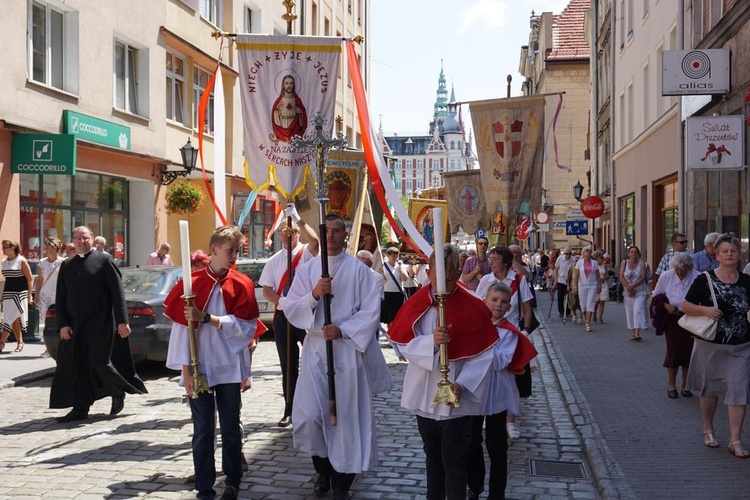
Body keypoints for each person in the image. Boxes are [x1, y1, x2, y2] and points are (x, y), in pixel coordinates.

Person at [284, 214, 393, 500]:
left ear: (344, 236)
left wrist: (343, 331)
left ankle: (342, 481)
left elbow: (370, 313)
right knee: (309, 415)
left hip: (346, 353)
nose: (331, 236)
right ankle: (322, 468)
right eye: (327, 231)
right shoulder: (308, 271)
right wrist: (314, 295)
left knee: (345, 419)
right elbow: (292, 308)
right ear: (322, 235)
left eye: (336, 231)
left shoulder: (360, 272)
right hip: (316, 350)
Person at [387, 243, 500, 500]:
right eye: (441, 277)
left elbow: (485, 352)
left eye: (453, 277)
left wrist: (463, 384)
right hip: (425, 395)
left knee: (455, 460)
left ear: (459, 272)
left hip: (459, 399)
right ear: (429, 271)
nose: (447, 283)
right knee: (433, 458)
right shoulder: (418, 303)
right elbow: (401, 345)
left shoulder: (472, 305)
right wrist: (432, 343)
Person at [165, 225, 260, 500]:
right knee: (203, 430)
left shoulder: (242, 283)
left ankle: (232, 480)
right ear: (213, 250)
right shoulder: (190, 284)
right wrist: (186, 372)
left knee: (231, 427)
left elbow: (246, 328)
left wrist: (207, 318)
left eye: (238, 250)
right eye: (230, 250)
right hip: (200, 368)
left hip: (229, 367)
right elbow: (181, 331)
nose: (234, 256)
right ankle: (204, 487)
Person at [50, 226, 147, 422]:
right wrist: (63, 324)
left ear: (92, 239)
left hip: (100, 322)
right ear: (73, 241)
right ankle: (80, 408)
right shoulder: (67, 265)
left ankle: (118, 389)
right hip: (75, 325)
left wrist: (122, 321)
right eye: (77, 238)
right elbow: (61, 297)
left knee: (98, 361)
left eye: (84, 238)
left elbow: (117, 293)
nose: (81, 241)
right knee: (78, 365)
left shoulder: (104, 260)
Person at [681, 233, 750, 458]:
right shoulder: (705, 279)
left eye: (733, 250)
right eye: (725, 251)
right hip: (710, 345)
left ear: (739, 255)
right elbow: (685, 305)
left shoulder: (747, 281)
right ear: (717, 255)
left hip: (740, 347)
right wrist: (705, 310)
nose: (729, 254)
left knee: (739, 391)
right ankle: (708, 428)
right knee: (708, 390)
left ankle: (735, 440)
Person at [467, 282, 533, 500]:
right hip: (475, 390)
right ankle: (475, 485)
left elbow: (500, 361)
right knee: (472, 439)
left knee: (497, 445)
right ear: (485, 300)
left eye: (503, 302)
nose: (498, 305)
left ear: (508, 307)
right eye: (494, 300)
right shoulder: (475, 324)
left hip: (497, 392)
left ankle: (497, 493)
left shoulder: (509, 333)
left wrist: (479, 348)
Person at [258, 203, 320, 428]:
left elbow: (315, 241)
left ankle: (314, 405)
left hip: (306, 313)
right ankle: (289, 408)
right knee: (288, 364)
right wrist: (281, 302)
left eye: (291, 232)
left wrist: (298, 218)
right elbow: (266, 289)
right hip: (284, 315)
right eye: (284, 232)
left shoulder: (306, 252)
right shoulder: (274, 261)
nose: (287, 236)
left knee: (314, 360)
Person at [474, 246, 534, 441]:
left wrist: (525, 330)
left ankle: (510, 421)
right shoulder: (486, 280)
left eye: (495, 259)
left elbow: (526, 306)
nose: (490, 262)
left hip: (511, 333)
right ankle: (486, 410)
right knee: (487, 376)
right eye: (490, 258)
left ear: (505, 262)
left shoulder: (518, 279)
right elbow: (478, 305)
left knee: (511, 379)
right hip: (490, 331)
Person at [650, 252, 698, 399]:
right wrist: (666, 305)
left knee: (689, 352)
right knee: (673, 352)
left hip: (691, 318)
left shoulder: (697, 276)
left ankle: (686, 386)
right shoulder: (666, 276)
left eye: (684, 268)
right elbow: (656, 295)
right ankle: (671, 385)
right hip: (672, 319)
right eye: (678, 268)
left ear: (689, 267)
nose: (681, 271)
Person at [1, 240, 33, 353]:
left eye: (5, 247)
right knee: (14, 320)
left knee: (8, 318)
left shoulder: (21, 260)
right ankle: (20, 342)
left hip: (20, 294)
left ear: (13, 248)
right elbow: (7, 279)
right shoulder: (3, 262)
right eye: (2, 247)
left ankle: (1, 343)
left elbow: (29, 279)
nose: (3, 249)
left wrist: (30, 295)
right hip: (8, 294)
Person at [35, 237, 64, 357]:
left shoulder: (63, 262)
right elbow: (39, 281)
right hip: (45, 296)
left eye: (50, 247)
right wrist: (36, 295)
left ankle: (61, 346)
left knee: (60, 320)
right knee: (46, 323)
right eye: (46, 248)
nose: (48, 250)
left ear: (56, 248)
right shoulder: (42, 262)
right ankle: (48, 348)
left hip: (59, 295)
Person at [619, 246, 651, 341]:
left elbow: (643, 277)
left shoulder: (643, 264)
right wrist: (628, 288)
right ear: (628, 253)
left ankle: (637, 332)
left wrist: (632, 287)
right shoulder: (624, 263)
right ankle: (632, 332)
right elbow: (621, 276)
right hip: (627, 291)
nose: (634, 254)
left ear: (638, 254)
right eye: (632, 252)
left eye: (636, 252)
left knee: (638, 309)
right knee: (630, 312)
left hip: (640, 291)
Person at [572, 246, 602, 332]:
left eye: (590, 251)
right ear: (583, 253)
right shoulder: (579, 263)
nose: (588, 252)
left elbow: (598, 275)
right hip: (582, 286)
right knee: (583, 306)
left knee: (590, 304)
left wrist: (599, 286)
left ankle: (588, 324)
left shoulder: (594, 263)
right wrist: (575, 287)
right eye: (587, 250)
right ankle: (587, 318)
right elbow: (576, 276)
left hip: (592, 285)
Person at [272, 74, 307, 143]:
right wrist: (277, 112)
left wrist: (300, 112)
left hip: (295, 131)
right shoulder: (279, 101)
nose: (289, 86)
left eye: (291, 83)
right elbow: (274, 118)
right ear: (283, 86)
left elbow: (303, 113)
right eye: (286, 83)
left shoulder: (297, 100)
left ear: (293, 85)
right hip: (281, 131)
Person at [381, 247, 407, 328]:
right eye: (393, 255)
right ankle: (391, 335)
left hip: (398, 294)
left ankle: (393, 335)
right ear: (388, 255)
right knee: (389, 319)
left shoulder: (400, 265)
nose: (395, 257)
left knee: (396, 318)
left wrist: (400, 268)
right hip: (387, 294)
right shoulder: (383, 265)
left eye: (397, 255)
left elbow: (405, 278)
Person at [552, 248, 575, 319]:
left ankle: (568, 311)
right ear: (564, 254)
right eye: (566, 254)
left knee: (569, 297)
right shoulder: (560, 259)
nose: (568, 255)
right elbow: (556, 270)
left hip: (570, 281)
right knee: (560, 296)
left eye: (569, 254)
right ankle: (561, 311)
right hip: (561, 280)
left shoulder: (573, 260)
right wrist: (555, 280)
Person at [593, 251, 609, 323]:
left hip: (604, 284)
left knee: (602, 301)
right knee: (597, 302)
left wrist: (604, 278)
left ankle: (600, 317)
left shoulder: (604, 266)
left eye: (603, 258)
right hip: (596, 284)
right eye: (601, 258)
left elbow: (607, 275)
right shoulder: (594, 266)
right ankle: (594, 313)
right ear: (597, 258)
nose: (602, 259)